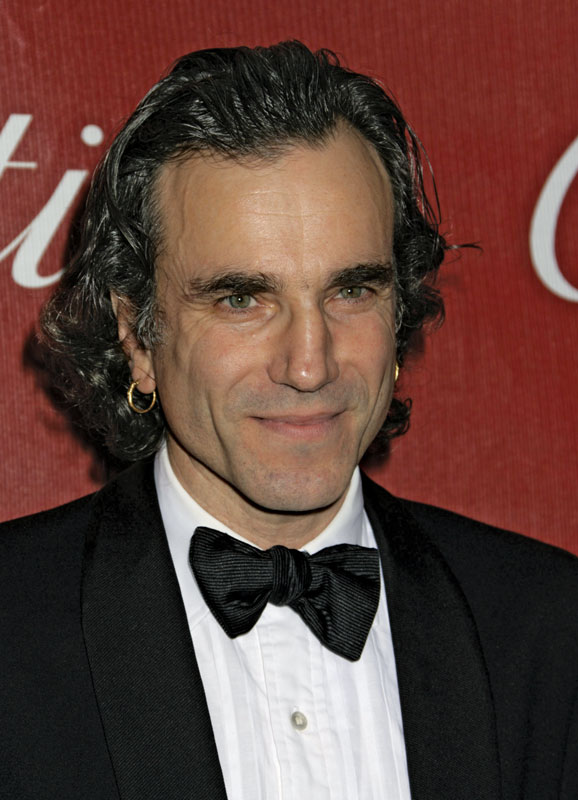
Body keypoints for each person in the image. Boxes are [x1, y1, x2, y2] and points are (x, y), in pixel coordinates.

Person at [1, 41, 577, 800]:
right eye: (242, 299)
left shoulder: (552, 632)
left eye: (352, 291)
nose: (310, 365)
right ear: (138, 336)